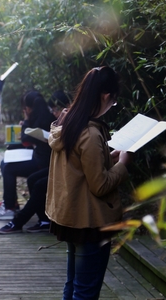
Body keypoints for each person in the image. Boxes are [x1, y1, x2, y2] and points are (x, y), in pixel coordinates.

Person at [46, 67, 131, 300]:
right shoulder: (91, 133)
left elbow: (79, 170)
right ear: (106, 96)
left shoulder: (68, 123)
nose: (111, 106)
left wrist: (107, 158)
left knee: (73, 286)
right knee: (85, 292)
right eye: (113, 102)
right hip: (90, 221)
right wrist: (123, 163)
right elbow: (100, 185)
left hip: (71, 217)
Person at [0, 90, 72, 234]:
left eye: (57, 109)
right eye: (53, 109)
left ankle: (17, 219)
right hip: (54, 163)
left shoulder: (68, 121)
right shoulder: (56, 119)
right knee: (30, 179)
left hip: (59, 166)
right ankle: (43, 219)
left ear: (67, 106)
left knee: (34, 182)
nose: (55, 113)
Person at [0, 91, 55, 221]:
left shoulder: (43, 119)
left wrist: (25, 120)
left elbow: (25, 138)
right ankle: (11, 203)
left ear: (29, 108)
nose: (24, 111)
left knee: (8, 168)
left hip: (42, 162)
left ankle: (9, 208)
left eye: (25, 108)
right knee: (5, 162)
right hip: (39, 157)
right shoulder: (44, 116)